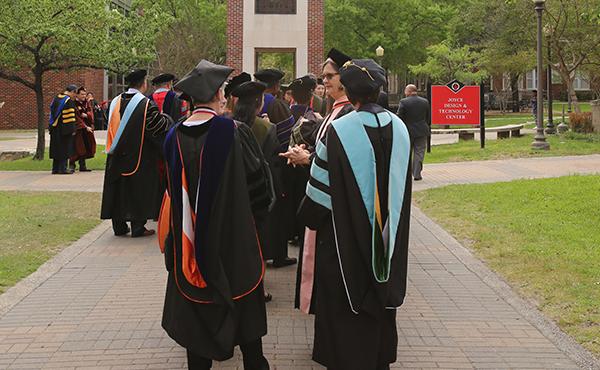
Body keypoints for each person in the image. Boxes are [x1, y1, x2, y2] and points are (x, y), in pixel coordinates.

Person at [299, 58, 412, 370]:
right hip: (389, 247)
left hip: (342, 252)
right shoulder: (400, 129)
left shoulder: (338, 131)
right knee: (380, 324)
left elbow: (315, 206)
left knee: (346, 336)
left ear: (349, 91)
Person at [159, 60, 271, 370]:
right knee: (249, 336)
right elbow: (259, 188)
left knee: (197, 333)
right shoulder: (235, 132)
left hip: (190, 246)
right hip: (235, 246)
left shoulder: (173, 137)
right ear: (219, 93)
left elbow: (168, 190)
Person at [280, 48, 355, 314]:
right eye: (323, 76)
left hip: (334, 209)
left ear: (345, 78)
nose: (325, 81)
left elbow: (341, 166)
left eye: (330, 76)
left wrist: (307, 160)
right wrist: (306, 154)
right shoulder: (335, 111)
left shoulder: (349, 115)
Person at [100, 69, 172, 237]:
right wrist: (167, 119)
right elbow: (157, 128)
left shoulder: (114, 102)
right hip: (140, 156)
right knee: (137, 189)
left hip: (116, 155)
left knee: (118, 189)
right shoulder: (145, 104)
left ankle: (119, 226)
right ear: (143, 83)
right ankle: (138, 226)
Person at [396, 84, 430, 181]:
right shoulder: (425, 102)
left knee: (406, 152)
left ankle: (406, 174)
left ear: (409, 91)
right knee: (419, 152)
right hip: (422, 131)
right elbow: (428, 117)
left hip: (407, 131)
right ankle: (417, 174)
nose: (404, 93)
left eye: (405, 91)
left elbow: (399, 117)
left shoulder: (403, 102)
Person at [49, 84, 78, 174]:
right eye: (75, 94)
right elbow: (70, 118)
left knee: (56, 149)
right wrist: (72, 130)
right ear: (72, 92)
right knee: (64, 149)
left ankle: (55, 169)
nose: (75, 96)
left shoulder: (57, 98)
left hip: (55, 128)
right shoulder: (68, 101)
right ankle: (63, 168)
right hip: (64, 130)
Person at [69, 86, 96, 172]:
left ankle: (82, 166)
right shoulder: (73, 104)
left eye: (85, 94)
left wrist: (87, 115)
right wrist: (85, 126)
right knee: (76, 147)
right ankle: (72, 165)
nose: (84, 96)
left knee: (85, 146)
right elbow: (76, 117)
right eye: (82, 94)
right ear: (77, 95)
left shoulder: (87, 104)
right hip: (78, 129)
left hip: (87, 129)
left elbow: (91, 115)